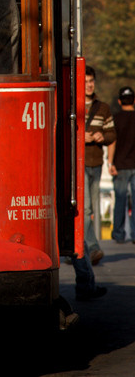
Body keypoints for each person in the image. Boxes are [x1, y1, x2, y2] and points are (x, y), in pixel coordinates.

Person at [84, 66, 116, 265]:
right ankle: (93, 247)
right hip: (79, 165)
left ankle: (83, 248)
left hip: (96, 164)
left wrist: (102, 136)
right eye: (85, 81)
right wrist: (82, 137)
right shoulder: (74, 106)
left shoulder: (103, 108)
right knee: (86, 209)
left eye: (91, 81)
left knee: (92, 208)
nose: (89, 85)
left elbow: (112, 134)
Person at [108, 86, 135, 244]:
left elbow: (112, 141)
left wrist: (110, 162)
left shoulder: (116, 119)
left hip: (120, 164)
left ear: (119, 101)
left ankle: (118, 233)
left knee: (120, 199)